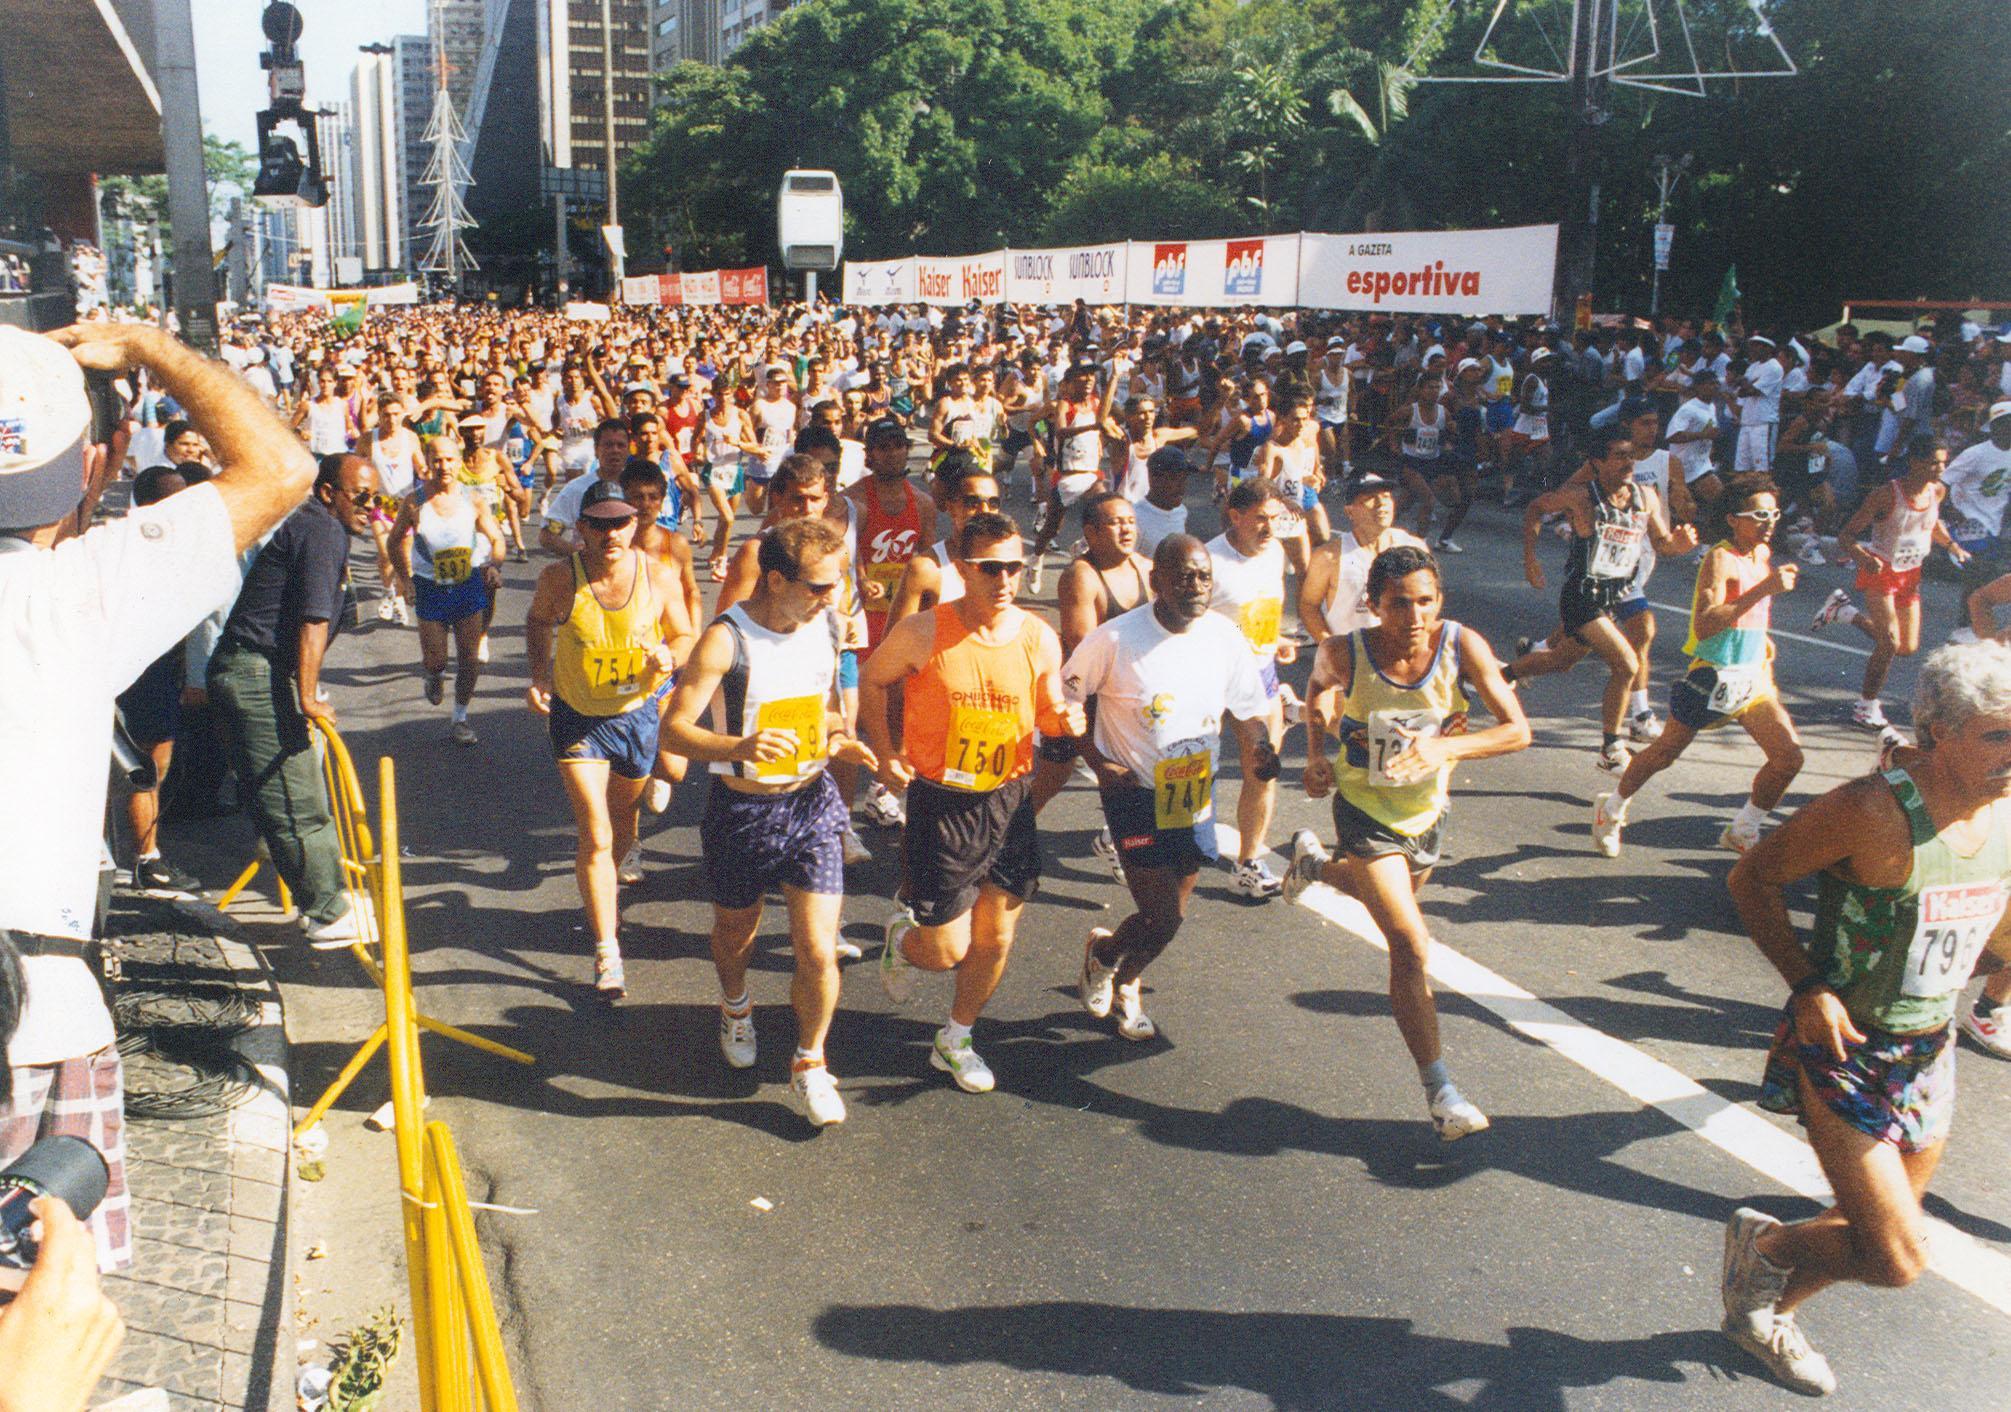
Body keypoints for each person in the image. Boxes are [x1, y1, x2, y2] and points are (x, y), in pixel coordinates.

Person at [1, 321, 313, 1280]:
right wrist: (152, 349)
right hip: (30, 1020)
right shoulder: (77, 591)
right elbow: (279, 466)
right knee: (36, 1315)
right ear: (96, 469)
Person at [1720, 641, 2011, 1397]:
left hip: (1928, 1051)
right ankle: (1769, 1248)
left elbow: (1994, 925)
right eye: (1997, 734)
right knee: (1896, 1256)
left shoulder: (2005, 812)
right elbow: (1752, 877)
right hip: (1845, 1048)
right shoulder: (1870, 812)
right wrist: (1806, 985)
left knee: (1875, 1231)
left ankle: (1760, 1309)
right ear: (1938, 732)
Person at [1285, 544, 1530, 1139]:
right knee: (1410, 943)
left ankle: (1314, 867)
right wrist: (1317, 755)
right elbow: (1318, 689)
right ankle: (1441, 1091)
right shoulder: (1345, 650)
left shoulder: (1461, 645)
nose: (1415, 617)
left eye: (1426, 601)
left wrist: (1445, 747)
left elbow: (1518, 730)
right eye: (1400, 604)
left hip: (1425, 812)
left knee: (1384, 902)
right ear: (1373, 605)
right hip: (1364, 807)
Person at [662, 518, 877, 1128]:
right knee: (736, 935)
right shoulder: (725, 641)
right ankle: (736, 1006)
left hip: (811, 803)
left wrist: (843, 741)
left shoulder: (830, 627)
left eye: (835, 584)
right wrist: (743, 746)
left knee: (816, 949)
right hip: (743, 810)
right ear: (775, 578)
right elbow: (673, 730)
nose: (831, 597)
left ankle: (810, 1063)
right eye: (817, 586)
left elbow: (828, 711)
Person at [859, 512, 1084, 1093]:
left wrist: (1064, 718)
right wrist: (885, 753)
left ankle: (956, 1038)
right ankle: (903, 942)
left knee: (997, 938)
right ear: (963, 570)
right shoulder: (924, 632)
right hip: (943, 803)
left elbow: (1048, 702)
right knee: (944, 951)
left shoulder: (1038, 636)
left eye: (1013, 566)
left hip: (1009, 800)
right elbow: (872, 679)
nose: (1005, 579)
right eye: (990, 569)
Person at [1067, 534, 1276, 1039]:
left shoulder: (1224, 637)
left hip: (1192, 792)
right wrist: (1098, 762)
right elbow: (1064, 705)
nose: (1196, 586)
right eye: (1183, 576)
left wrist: (1262, 746)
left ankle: (1119, 969)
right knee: (1161, 918)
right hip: (1132, 793)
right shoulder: (1114, 639)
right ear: (1156, 581)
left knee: (1171, 918)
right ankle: (1110, 961)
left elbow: (1248, 710)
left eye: (1204, 576)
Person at [524, 481, 694, 999]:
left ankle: (611, 881)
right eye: (598, 524)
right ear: (582, 529)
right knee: (595, 834)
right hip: (578, 719)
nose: (610, 533)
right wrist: (541, 675)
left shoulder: (658, 576)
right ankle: (607, 949)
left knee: (622, 825)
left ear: (634, 525)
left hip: (635, 716)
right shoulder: (560, 579)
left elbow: (685, 635)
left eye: (620, 522)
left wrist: (669, 656)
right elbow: (537, 621)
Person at [211, 451, 382, 943]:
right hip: (255, 670)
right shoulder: (322, 530)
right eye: (361, 496)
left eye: (377, 498)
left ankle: (323, 897)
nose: (370, 507)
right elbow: (312, 620)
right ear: (328, 492)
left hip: (266, 669)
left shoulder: (322, 528)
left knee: (298, 788)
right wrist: (307, 697)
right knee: (295, 797)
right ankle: (327, 911)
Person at [1593, 476, 1805, 856]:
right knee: (1663, 754)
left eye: (1773, 513)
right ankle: (1611, 810)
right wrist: (1764, 589)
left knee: (1788, 757)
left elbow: (1750, 616)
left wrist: (1763, 643)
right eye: (1758, 515)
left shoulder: (1762, 556)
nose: (1769, 522)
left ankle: (1743, 828)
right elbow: (1705, 623)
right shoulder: (1720, 558)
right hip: (1713, 676)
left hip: (1752, 678)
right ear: (1732, 520)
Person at [1503, 430, 1698, 774]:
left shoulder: (1646, 497)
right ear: (1597, 463)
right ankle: (1611, 747)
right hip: (1581, 594)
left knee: (1561, 661)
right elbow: (1536, 507)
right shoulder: (1581, 497)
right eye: (1619, 456)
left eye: (1631, 456)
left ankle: (1496, 675)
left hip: (1613, 593)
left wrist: (1678, 545)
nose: (1628, 464)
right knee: (1626, 664)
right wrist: (1529, 559)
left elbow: (1662, 543)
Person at [1811, 437, 1969, 729]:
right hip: (1881, 572)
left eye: (1943, 462)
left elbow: (1931, 523)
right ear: (1915, 462)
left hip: (1911, 575)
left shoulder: (1937, 491)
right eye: (1934, 462)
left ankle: (1845, 613)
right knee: (1888, 644)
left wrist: (1951, 546)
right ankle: (1866, 706)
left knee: (1906, 647)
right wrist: (1862, 556)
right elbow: (1847, 535)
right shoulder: (1885, 495)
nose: (1940, 468)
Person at [114, 463, 207, 897]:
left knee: (154, 764)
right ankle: (145, 861)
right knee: (145, 766)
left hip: (162, 666)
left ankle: (137, 853)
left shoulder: (172, 541)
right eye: (172, 497)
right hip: (143, 668)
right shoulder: (135, 542)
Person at [1206, 477, 1297, 897]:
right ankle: (1119, 834)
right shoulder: (1208, 561)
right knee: (1180, 771)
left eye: (1275, 518)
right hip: (1207, 679)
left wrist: (1274, 640)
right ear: (1235, 516)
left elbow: (1262, 610)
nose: (1269, 527)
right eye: (1260, 518)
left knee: (1263, 768)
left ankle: (1248, 862)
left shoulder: (1275, 552)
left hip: (1258, 679)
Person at [387, 437, 508, 745]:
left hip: (467, 585)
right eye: (437, 460)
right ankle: (434, 675)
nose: (444, 466)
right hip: (430, 587)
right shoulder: (414, 502)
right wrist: (406, 580)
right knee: (436, 660)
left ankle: (460, 718)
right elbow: (394, 541)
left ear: (459, 461)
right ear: (428, 462)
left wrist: (494, 565)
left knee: (470, 659)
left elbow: (496, 539)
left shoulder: (474, 500)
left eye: (450, 459)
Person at [1298, 472, 1424, 649]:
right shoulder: (1329, 557)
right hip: (1352, 660)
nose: (1382, 504)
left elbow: (1429, 599)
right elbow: (1309, 606)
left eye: (1387, 497)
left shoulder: (1414, 548)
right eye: (1370, 498)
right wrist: (1331, 646)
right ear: (1350, 511)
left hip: (1402, 656)